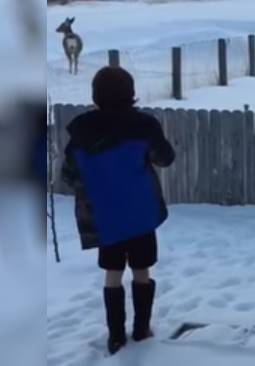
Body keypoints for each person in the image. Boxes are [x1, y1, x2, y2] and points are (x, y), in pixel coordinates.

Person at [61, 66, 175, 354]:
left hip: (105, 218)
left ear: (96, 95)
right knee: (141, 270)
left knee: (112, 273)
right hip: (140, 215)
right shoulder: (144, 126)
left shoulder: (82, 132)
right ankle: (142, 328)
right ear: (131, 93)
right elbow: (165, 158)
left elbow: (69, 177)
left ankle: (115, 337)